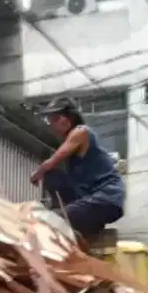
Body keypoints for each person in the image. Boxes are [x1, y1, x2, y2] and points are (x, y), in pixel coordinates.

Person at [30, 96, 125, 236]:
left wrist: (37, 174)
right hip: (88, 195)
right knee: (53, 175)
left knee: (54, 217)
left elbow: (52, 162)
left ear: (68, 118)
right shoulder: (71, 141)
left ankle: (66, 215)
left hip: (106, 197)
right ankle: (81, 221)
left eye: (55, 119)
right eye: (51, 121)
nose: (52, 125)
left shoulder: (81, 132)